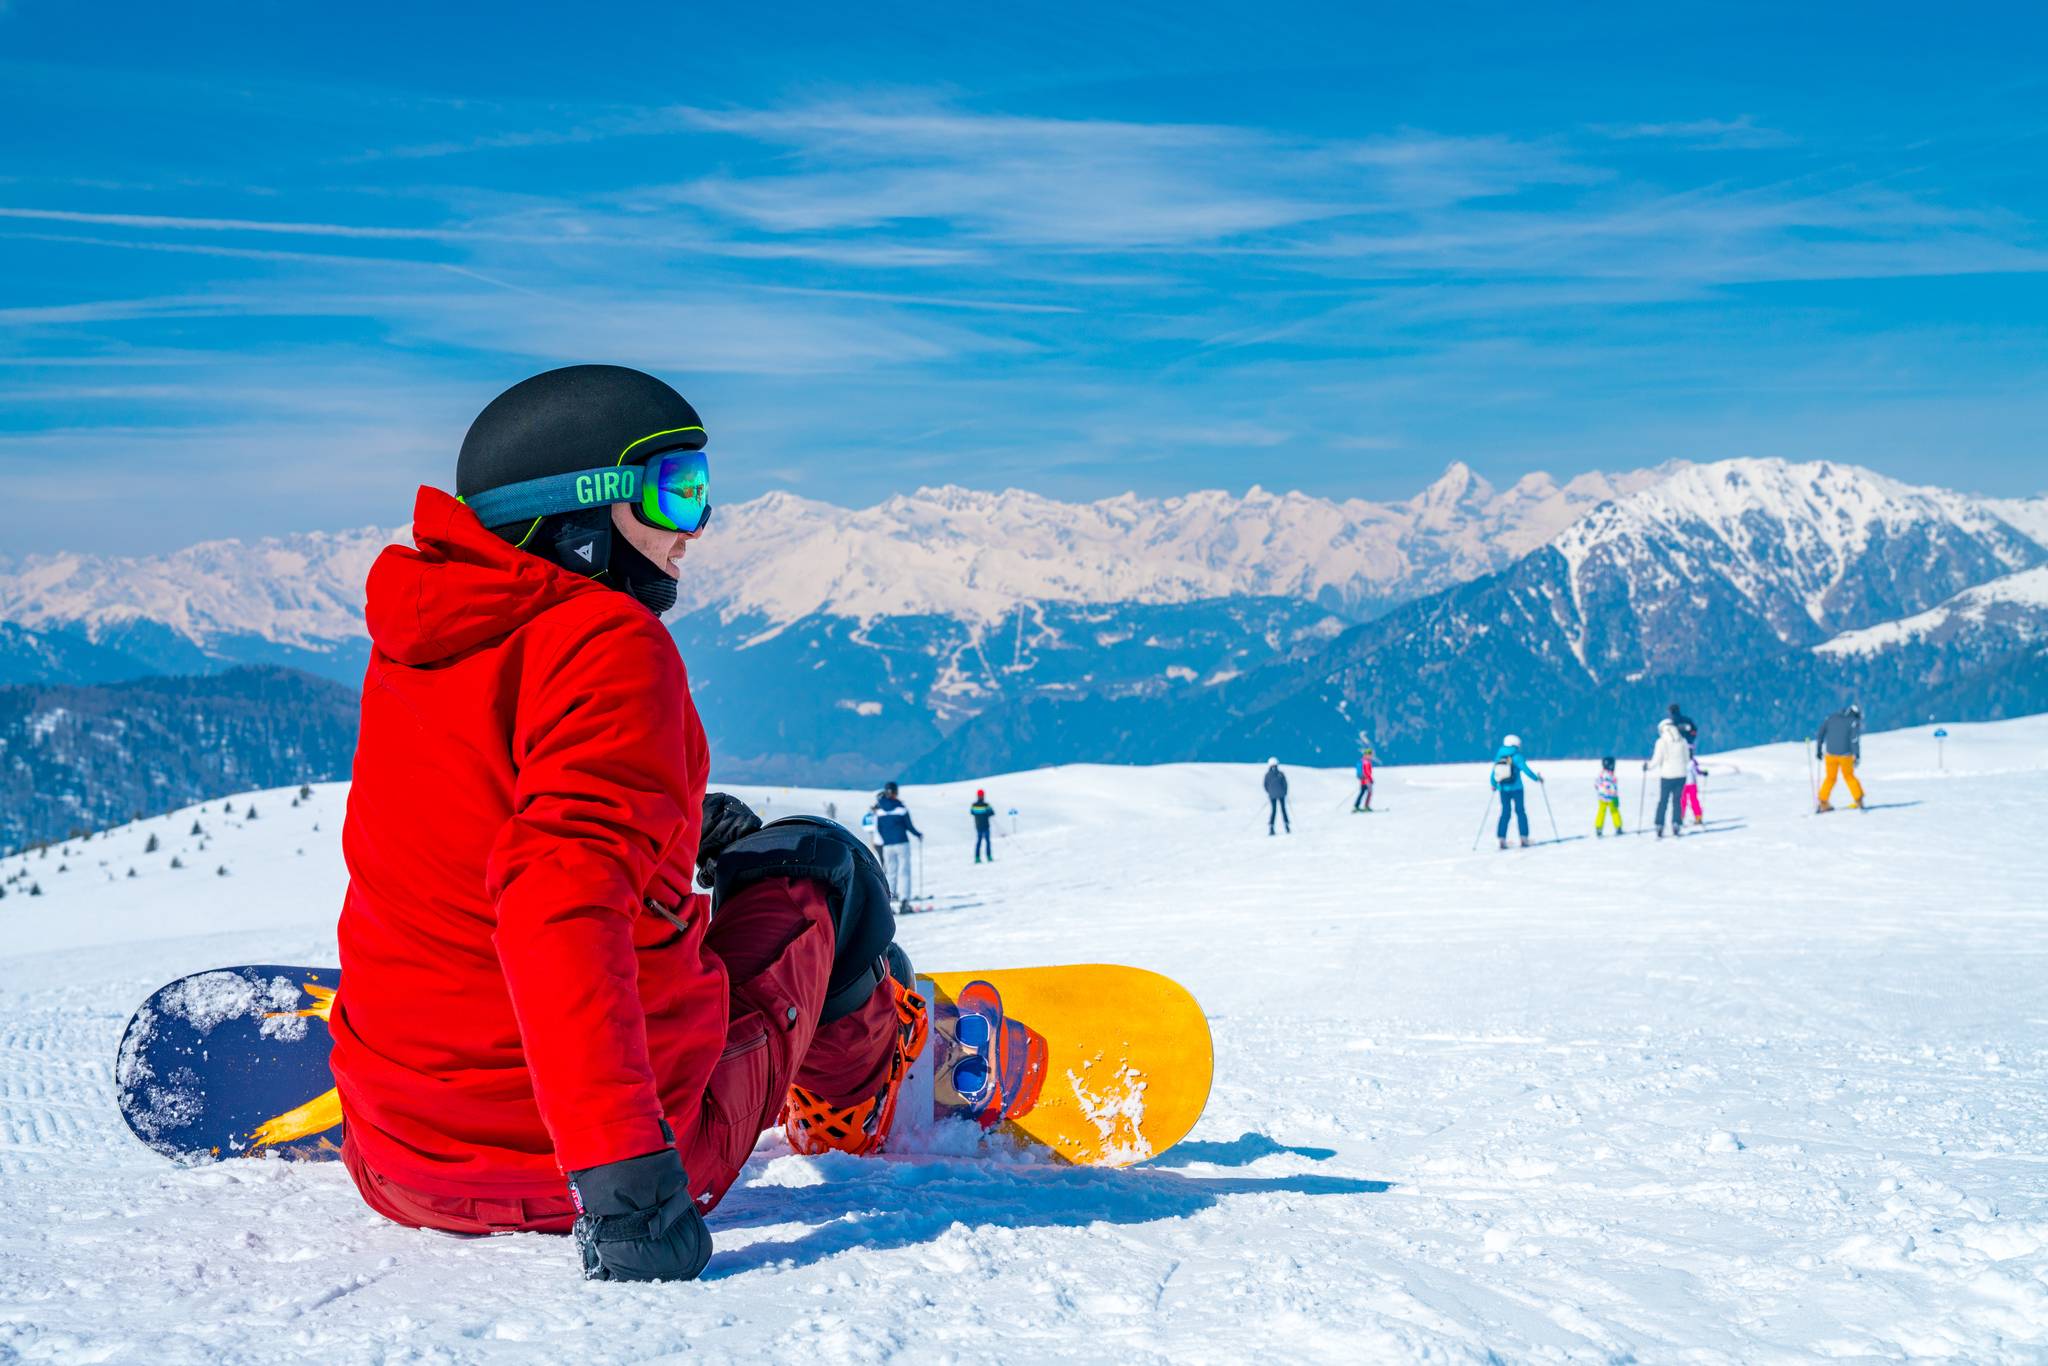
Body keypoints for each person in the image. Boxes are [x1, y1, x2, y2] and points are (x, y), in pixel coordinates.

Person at [327, 365, 928, 1284]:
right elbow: (555, 907)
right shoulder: (609, 642)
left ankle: (443, 1066)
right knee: (823, 865)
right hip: (592, 1167)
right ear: (580, 511)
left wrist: (675, 832)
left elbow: (482, 829)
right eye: (675, 489)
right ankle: (867, 1086)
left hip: (395, 1164)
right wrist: (629, 1185)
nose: (696, 527)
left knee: (727, 860)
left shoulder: (418, 638)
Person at [1489, 734, 1543, 848]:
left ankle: (1501, 839)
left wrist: (1494, 785)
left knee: (1505, 813)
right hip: (1517, 789)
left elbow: (1494, 773)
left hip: (1503, 789)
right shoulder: (1517, 756)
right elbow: (1526, 770)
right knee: (1520, 812)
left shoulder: (1499, 755)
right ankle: (1524, 838)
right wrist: (1537, 779)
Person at [874, 781, 922, 906]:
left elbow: (879, 828)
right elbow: (909, 826)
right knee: (904, 871)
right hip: (901, 842)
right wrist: (918, 835)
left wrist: (886, 838)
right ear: (895, 792)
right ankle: (905, 900)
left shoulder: (879, 810)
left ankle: (890, 897)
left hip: (887, 845)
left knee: (891, 871)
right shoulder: (900, 808)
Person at [1644, 716, 1690, 838]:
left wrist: (1647, 767)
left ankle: (1659, 824)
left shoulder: (1661, 742)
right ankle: (1676, 823)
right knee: (1677, 801)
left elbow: (1657, 760)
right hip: (1681, 775)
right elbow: (1687, 759)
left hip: (1667, 775)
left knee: (1663, 801)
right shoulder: (1682, 740)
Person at [1815, 703, 1865, 812]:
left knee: (1830, 778)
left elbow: (1820, 733)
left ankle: (1823, 802)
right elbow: (1854, 740)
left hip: (1830, 754)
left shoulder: (1831, 718)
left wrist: (1818, 750)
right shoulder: (1853, 722)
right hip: (1845, 755)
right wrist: (1857, 755)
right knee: (1849, 776)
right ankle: (1859, 799)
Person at [1594, 756, 1623, 838]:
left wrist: (1600, 790)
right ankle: (1618, 827)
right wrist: (1616, 797)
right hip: (1611, 798)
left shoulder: (1601, 775)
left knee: (1601, 812)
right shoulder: (1612, 776)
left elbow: (1596, 785)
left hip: (1602, 797)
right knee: (1614, 812)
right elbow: (1614, 787)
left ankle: (1598, 827)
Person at [1264, 758, 1291, 834]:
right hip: (1281, 794)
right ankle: (1287, 826)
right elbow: (1285, 784)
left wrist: (1269, 792)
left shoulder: (1267, 775)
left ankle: (1271, 827)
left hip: (1272, 796)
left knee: (1273, 811)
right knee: (1283, 810)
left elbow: (1265, 785)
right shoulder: (1281, 774)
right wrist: (1285, 792)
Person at [969, 789, 996, 863]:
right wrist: (986, 813)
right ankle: (989, 856)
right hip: (986, 826)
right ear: (983, 796)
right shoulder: (986, 805)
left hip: (978, 826)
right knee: (987, 842)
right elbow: (992, 813)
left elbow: (972, 812)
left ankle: (977, 858)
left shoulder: (974, 805)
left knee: (979, 842)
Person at [1682, 750, 1708, 825]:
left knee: (1683, 801)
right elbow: (1697, 772)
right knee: (1693, 801)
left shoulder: (1681, 760)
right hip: (1691, 784)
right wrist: (1703, 773)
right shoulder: (1693, 762)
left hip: (1683, 784)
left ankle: (1680, 818)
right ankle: (1698, 817)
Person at [1352, 745, 1376, 813]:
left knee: (1363, 792)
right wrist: (1368, 779)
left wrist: (1369, 778)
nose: (1371, 756)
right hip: (1366, 780)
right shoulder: (1365, 762)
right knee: (1369, 792)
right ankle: (1365, 806)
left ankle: (1357, 805)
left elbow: (1367, 772)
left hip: (1365, 780)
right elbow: (1365, 772)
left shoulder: (1365, 762)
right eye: (1369, 754)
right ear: (1366, 755)